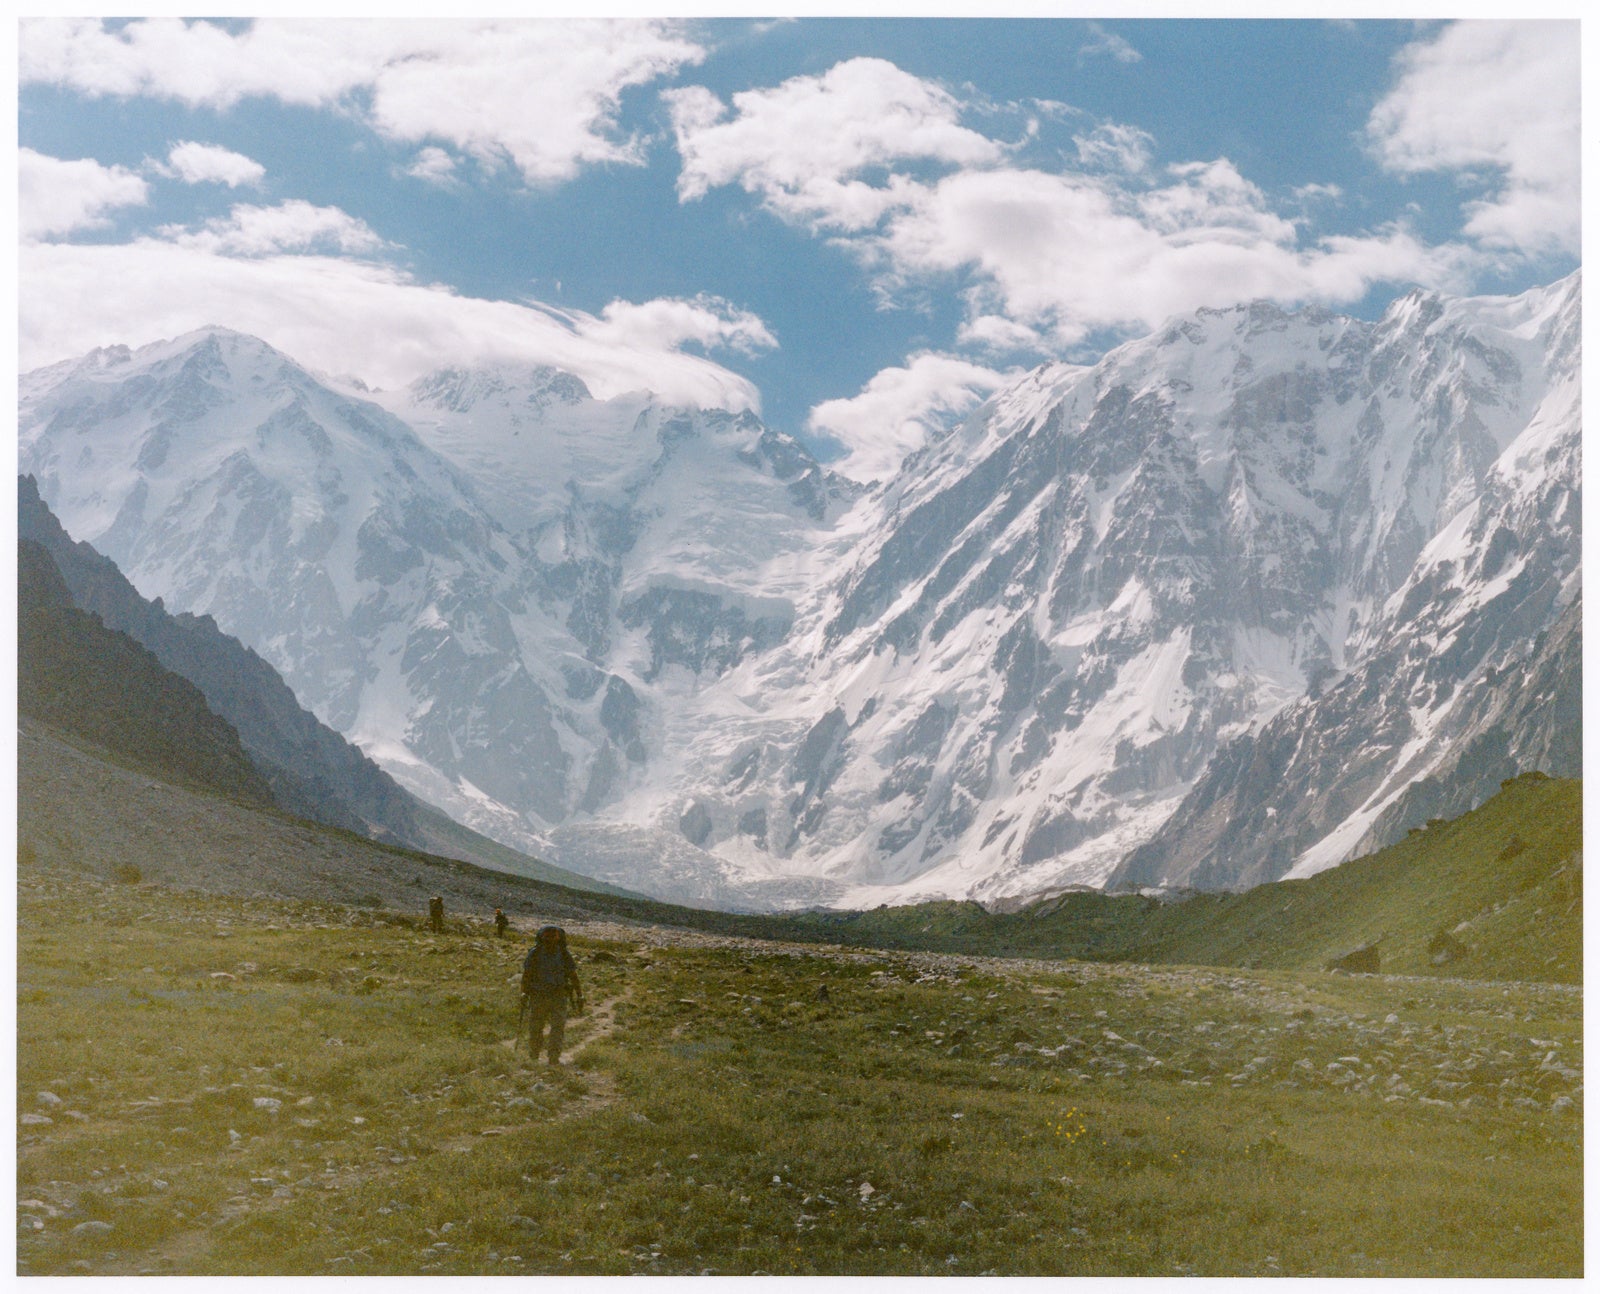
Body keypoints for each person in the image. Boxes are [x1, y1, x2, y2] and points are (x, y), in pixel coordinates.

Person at [521, 925, 582, 1066]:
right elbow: (526, 976)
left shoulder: (564, 954)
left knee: (557, 1027)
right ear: (541, 937)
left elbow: (573, 976)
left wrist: (580, 995)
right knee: (536, 1027)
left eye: (553, 936)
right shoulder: (535, 954)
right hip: (538, 995)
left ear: (559, 938)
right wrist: (524, 993)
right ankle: (534, 1055)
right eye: (547, 936)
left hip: (558, 995)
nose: (550, 939)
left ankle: (553, 1057)